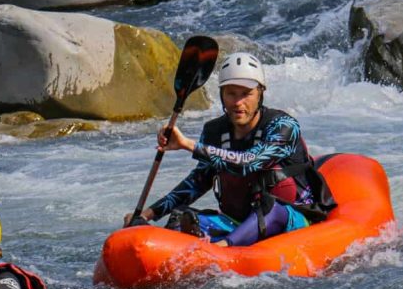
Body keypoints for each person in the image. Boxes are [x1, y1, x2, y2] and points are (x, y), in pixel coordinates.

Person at [124, 51, 335, 247]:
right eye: (231, 93)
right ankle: (190, 258)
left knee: (271, 208)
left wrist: (187, 145)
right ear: (222, 95)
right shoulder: (214, 131)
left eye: (247, 94)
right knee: (180, 217)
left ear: (260, 93)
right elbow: (199, 181)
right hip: (236, 220)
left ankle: (223, 249)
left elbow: (249, 162)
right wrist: (148, 215)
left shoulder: (284, 127)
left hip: (293, 217)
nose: (238, 102)